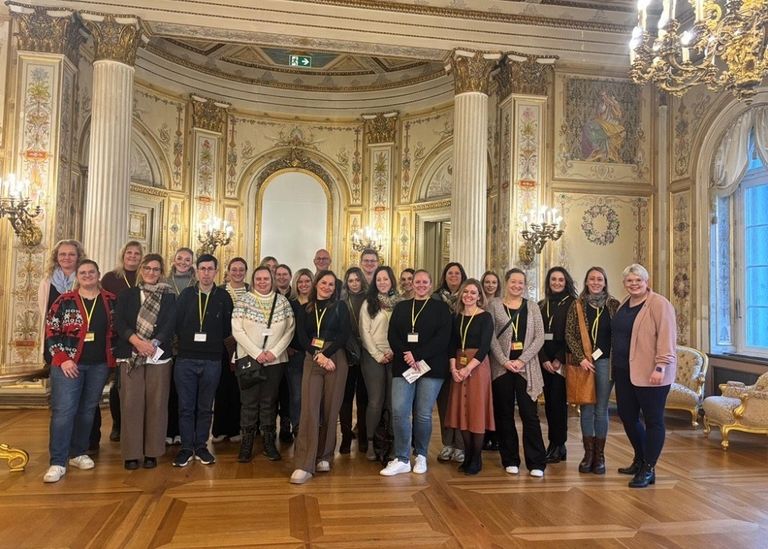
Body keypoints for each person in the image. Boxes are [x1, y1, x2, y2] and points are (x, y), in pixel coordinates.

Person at [43, 259, 117, 483]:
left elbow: (117, 331)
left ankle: (78, 452)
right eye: (82, 272)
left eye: (91, 272)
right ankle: (57, 461)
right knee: (64, 411)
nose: (87, 275)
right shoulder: (64, 301)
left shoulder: (111, 301)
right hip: (68, 366)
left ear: (98, 274)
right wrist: (63, 359)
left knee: (87, 409)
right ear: (78, 276)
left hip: (99, 365)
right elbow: (50, 330)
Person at [381, 269, 451, 476]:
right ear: (412, 284)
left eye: (424, 282)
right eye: (417, 282)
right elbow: (393, 335)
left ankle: (420, 455)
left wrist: (418, 355)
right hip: (404, 366)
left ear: (430, 285)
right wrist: (408, 355)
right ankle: (402, 458)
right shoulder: (402, 307)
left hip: (431, 367)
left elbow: (442, 338)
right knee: (400, 411)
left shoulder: (441, 308)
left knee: (422, 414)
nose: (420, 285)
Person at [612, 264, 676, 488]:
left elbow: (667, 339)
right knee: (627, 416)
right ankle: (640, 459)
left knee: (653, 420)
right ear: (624, 283)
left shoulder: (659, 304)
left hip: (652, 374)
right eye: (629, 281)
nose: (634, 284)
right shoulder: (624, 304)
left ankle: (649, 468)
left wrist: (660, 367)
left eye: (638, 280)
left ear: (646, 281)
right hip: (623, 371)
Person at [114, 254, 176, 470]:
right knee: (131, 403)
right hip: (131, 354)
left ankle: (152, 451)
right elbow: (119, 322)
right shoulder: (127, 294)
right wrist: (136, 342)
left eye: (156, 269)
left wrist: (153, 343)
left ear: (162, 272)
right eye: (148, 268)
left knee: (157, 404)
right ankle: (131, 453)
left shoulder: (169, 296)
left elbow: (170, 324)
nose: (152, 272)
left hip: (158, 356)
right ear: (141, 270)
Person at [172, 254, 233, 467]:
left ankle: (201, 446)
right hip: (186, 358)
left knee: (206, 407)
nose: (206, 273)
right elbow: (176, 323)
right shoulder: (186, 295)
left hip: (212, 359)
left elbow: (228, 328)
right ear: (196, 271)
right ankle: (186, 447)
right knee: (186, 406)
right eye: (203, 269)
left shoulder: (223, 297)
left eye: (210, 269)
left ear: (216, 271)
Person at [290, 270, 351, 484]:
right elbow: (302, 335)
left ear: (336, 288)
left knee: (330, 408)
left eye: (331, 284)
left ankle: (324, 456)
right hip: (313, 358)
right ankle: (304, 464)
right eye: (323, 283)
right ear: (316, 285)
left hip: (336, 358)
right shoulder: (307, 307)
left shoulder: (341, 307)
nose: (327, 287)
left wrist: (327, 353)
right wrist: (318, 355)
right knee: (309, 410)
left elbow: (345, 334)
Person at [488, 268, 547, 477]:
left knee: (530, 415)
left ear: (525, 285)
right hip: (501, 369)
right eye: (513, 282)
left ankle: (536, 462)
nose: (517, 286)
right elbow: (491, 336)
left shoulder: (532, 307)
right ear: (506, 283)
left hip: (526, 368)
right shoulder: (494, 305)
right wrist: (505, 361)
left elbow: (539, 337)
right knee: (504, 415)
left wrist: (522, 360)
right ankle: (510, 459)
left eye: (521, 282)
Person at [232, 266, 295, 463]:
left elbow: (290, 330)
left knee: (269, 402)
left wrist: (273, 353)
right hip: (249, 359)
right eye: (258, 279)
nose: (262, 282)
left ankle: (269, 444)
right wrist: (257, 353)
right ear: (253, 280)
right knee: (249, 403)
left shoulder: (283, 301)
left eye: (266, 279)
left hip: (275, 362)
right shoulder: (243, 300)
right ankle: (247, 445)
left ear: (272, 280)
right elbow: (237, 330)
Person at [566, 266, 620, 475]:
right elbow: (570, 334)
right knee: (586, 408)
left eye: (600, 279)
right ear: (586, 282)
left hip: (606, 362)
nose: (596, 282)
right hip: (584, 364)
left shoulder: (613, 305)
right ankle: (587, 455)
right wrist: (581, 359)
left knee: (601, 409)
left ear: (605, 282)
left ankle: (600, 456)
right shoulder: (577, 305)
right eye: (592, 279)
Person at [446, 279, 495, 475]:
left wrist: (468, 369)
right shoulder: (456, 317)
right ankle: (467, 456)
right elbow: (451, 344)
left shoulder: (485, 317)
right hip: (459, 364)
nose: (469, 296)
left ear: (479, 296)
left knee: (476, 410)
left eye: (473, 293)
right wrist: (453, 368)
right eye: (465, 292)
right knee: (462, 411)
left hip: (477, 367)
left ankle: (476, 457)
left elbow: (484, 348)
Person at [100, 240, 144, 444]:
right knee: (119, 383)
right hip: (118, 335)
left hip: (143, 335)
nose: (133, 256)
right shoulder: (111, 277)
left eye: (137, 253)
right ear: (123, 254)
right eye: (129, 253)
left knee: (139, 382)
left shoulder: (145, 276)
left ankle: (137, 422)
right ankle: (118, 423)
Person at [359, 266, 400, 460]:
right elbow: (364, 332)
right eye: (378, 279)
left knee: (392, 403)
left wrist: (393, 352)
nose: (382, 282)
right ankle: (370, 442)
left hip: (394, 355)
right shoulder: (369, 303)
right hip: (373, 355)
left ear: (392, 280)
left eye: (385, 279)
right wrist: (378, 354)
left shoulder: (399, 303)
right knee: (375, 401)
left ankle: (390, 442)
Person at [537, 267, 577, 464]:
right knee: (549, 406)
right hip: (543, 362)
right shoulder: (541, 304)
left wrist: (558, 359)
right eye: (553, 279)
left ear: (566, 281)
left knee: (559, 405)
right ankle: (554, 445)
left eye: (561, 280)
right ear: (548, 282)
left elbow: (573, 335)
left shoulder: (573, 304)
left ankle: (559, 444)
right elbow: (536, 335)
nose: (557, 283)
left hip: (562, 362)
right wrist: (544, 358)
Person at [212, 257, 249, 443]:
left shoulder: (251, 290)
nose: (237, 273)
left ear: (246, 271)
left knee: (238, 388)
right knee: (222, 386)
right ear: (227, 271)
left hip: (246, 345)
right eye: (234, 269)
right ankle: (219, 429)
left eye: (241, 269)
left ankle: (235, 429)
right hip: (223, 345)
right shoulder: (218, 291)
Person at [434, 262, 468, 463]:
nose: (454, 276)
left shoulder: (469, 296)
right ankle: (448, 443)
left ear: (462, 276)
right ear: (444, 276)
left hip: (464, 356)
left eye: (457, 273)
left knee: (462, 402)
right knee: (445, 402)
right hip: (441, 356)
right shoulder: (436, 298)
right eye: (450, 273)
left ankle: (461, 445)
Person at [38, 240, 87, 366]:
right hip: (54, 337)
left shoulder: (86, 279)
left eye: (71, 254)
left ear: (78, 257)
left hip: (79, 338)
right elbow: (44, 310)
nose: (66, 257)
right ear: (56, 257)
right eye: (62, 254)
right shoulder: (47, 281)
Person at [167, 247, 196, 445]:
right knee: (167, 390)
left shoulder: (197, 283)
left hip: (188, 342)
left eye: (187, 259)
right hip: (167, 341)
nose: (183, 262)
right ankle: (168, 430)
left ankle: (182, 432)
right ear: (174, 260)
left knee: (184, 390)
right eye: (180, 258)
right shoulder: (164, 281)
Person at [339, 267, 369, 454]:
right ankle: (346, 436)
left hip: (367, 351)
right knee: (346, 397)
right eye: (351, 281)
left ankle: (364, 436)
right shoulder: (341, 301)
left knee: (364, 397)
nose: (354, 284)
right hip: (346, 352)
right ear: (346, 282)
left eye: (357, 280)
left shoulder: (370, 299)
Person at [284, 268, 313, 440]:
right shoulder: (290, 303)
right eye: (300, 282)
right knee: (296, 395)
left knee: (313, 394)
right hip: (294, 356)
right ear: (296, 284)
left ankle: (312, 427)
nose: (303, 285)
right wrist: (287, 346)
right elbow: (283, 328)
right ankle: (297, 428)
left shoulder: (317, 303)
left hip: (313, 356)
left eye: (307, 281)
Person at [274, 263, 295, 441]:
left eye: (285, 274)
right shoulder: (269, 296)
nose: (281, 277)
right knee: (273, 390)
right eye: (278, 274)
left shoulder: (295, 297)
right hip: (273, 351)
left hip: (292, 351)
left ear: (290, 277)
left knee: (289, 391)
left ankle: (286, 426)